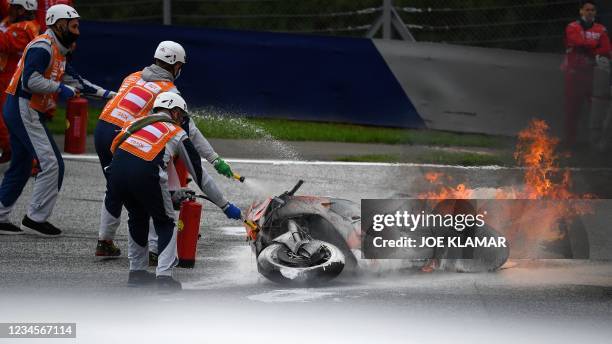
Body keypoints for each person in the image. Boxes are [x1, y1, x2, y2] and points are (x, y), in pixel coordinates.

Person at [95, 41, 235, 258]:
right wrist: (215, 160)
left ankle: (105, 241)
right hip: (131, 140)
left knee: (115, 188)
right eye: (180, 66)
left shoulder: (133, 76)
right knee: (153, 189)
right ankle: (154, 249)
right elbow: (190, 132)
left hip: (102, 130)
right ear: (175, 66)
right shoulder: (169, 91)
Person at [0, 4, 115, 236]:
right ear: (60, 24)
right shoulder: (43, 47)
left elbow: (79, 82)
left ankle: (1, 214)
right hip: (23, 107)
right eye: (74, 25)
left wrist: (110, 95)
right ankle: (35, 218)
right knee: (52, 163)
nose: (78, 30)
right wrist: (59, 88)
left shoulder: (58, 50)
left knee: (21, 165)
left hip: (24, 109)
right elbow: (29, 81)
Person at [107, 92, 241, 289]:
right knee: (166, 222)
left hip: (116, 173)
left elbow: (117, 150)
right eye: (182, 117)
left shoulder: (135, 125)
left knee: (137, 217)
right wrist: (225, 205)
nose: (182, 121)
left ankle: (137, 273)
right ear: (176, 112)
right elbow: (199, 176)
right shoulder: (175, 132)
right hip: (146, 173)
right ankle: (164, 277)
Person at [563, 0, 611, 145]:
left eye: (593, 10)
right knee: (572, 109)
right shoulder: (572, 26)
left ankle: (594, 143)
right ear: (581, 11)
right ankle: (570, 142)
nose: (590, 12)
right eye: (587, 10)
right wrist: (595, 47)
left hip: (593, 75)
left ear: (595, 13)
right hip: (574, 73)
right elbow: (576, 42)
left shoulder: (601, 29)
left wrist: (589, 48)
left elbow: (606, 49)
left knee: (596, 109)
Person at [0, 0, 40, 164]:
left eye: (14, 8)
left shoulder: (24, 28)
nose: (10, 11)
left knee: (6, 119)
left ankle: (29, 160)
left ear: (23, 10)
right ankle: (10, 150)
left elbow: (4, 44)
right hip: (10, 76)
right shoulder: (20, 24)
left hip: (10, 78)